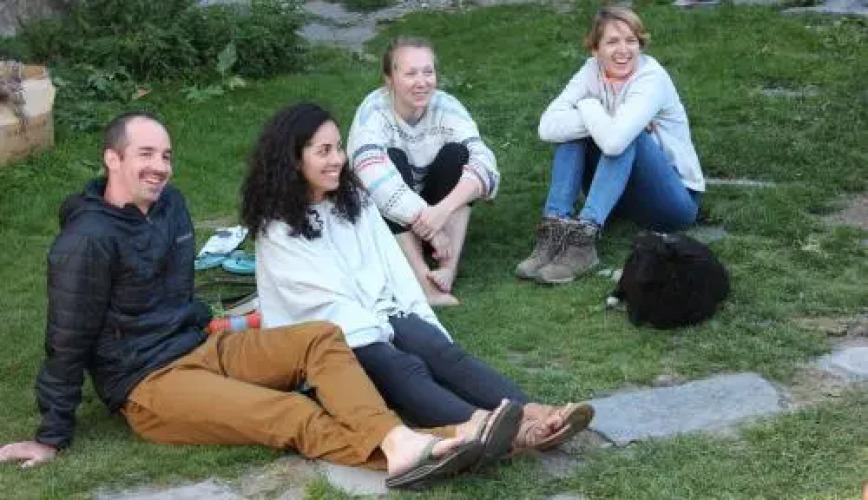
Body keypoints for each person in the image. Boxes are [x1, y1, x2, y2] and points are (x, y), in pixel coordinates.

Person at [0, 111, 519, 490]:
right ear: (112, 159)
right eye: (146, 154)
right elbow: (66, 338)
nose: (160, 167)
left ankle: (408, 440)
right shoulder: (86, 242)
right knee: (289, 412)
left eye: (166, 155)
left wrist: (217, 327)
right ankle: (435, 443)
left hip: (198, 346)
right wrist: (51, 436)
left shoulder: (169, 206)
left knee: (321, 337)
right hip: (146, 383)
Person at [242, 102, 594, 455]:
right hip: (330, 340)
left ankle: (534, 412)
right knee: (402, 366)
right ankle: (491, 429)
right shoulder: (277, 229)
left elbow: (394, 269)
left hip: (380, 315)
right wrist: (387, 334)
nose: (338, 159)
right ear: (293, 159)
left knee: (442, 353)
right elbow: (320, 304)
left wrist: (420, 322)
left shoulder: (354, 200)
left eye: (339, 147)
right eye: (324, 151)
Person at [516, 5, 705, 284]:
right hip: (619, 196)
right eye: (612, 42)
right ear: (595, 49)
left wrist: (588, 106)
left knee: (627, 137)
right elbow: (547, 127)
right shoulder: (590, 71)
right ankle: (554, 230)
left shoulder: (651, 78)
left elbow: (615, 142)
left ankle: (583, 241)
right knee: (572, 136)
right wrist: (604, 119)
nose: (623, 50)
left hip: (673, 201)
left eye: (631, 41)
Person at [346, 36, 500, 307]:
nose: (422, 82)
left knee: (458, 155)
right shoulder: (373, 113)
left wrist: (441, 211)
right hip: (388, 219)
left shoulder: (446, 106)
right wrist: (431, 228)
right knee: (392, 159)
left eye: (428, 72)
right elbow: (374, 181)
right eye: (410, 74)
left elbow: (486, 164)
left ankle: (448, 268)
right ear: (389, 79)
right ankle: (421, 280)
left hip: (434, 213)